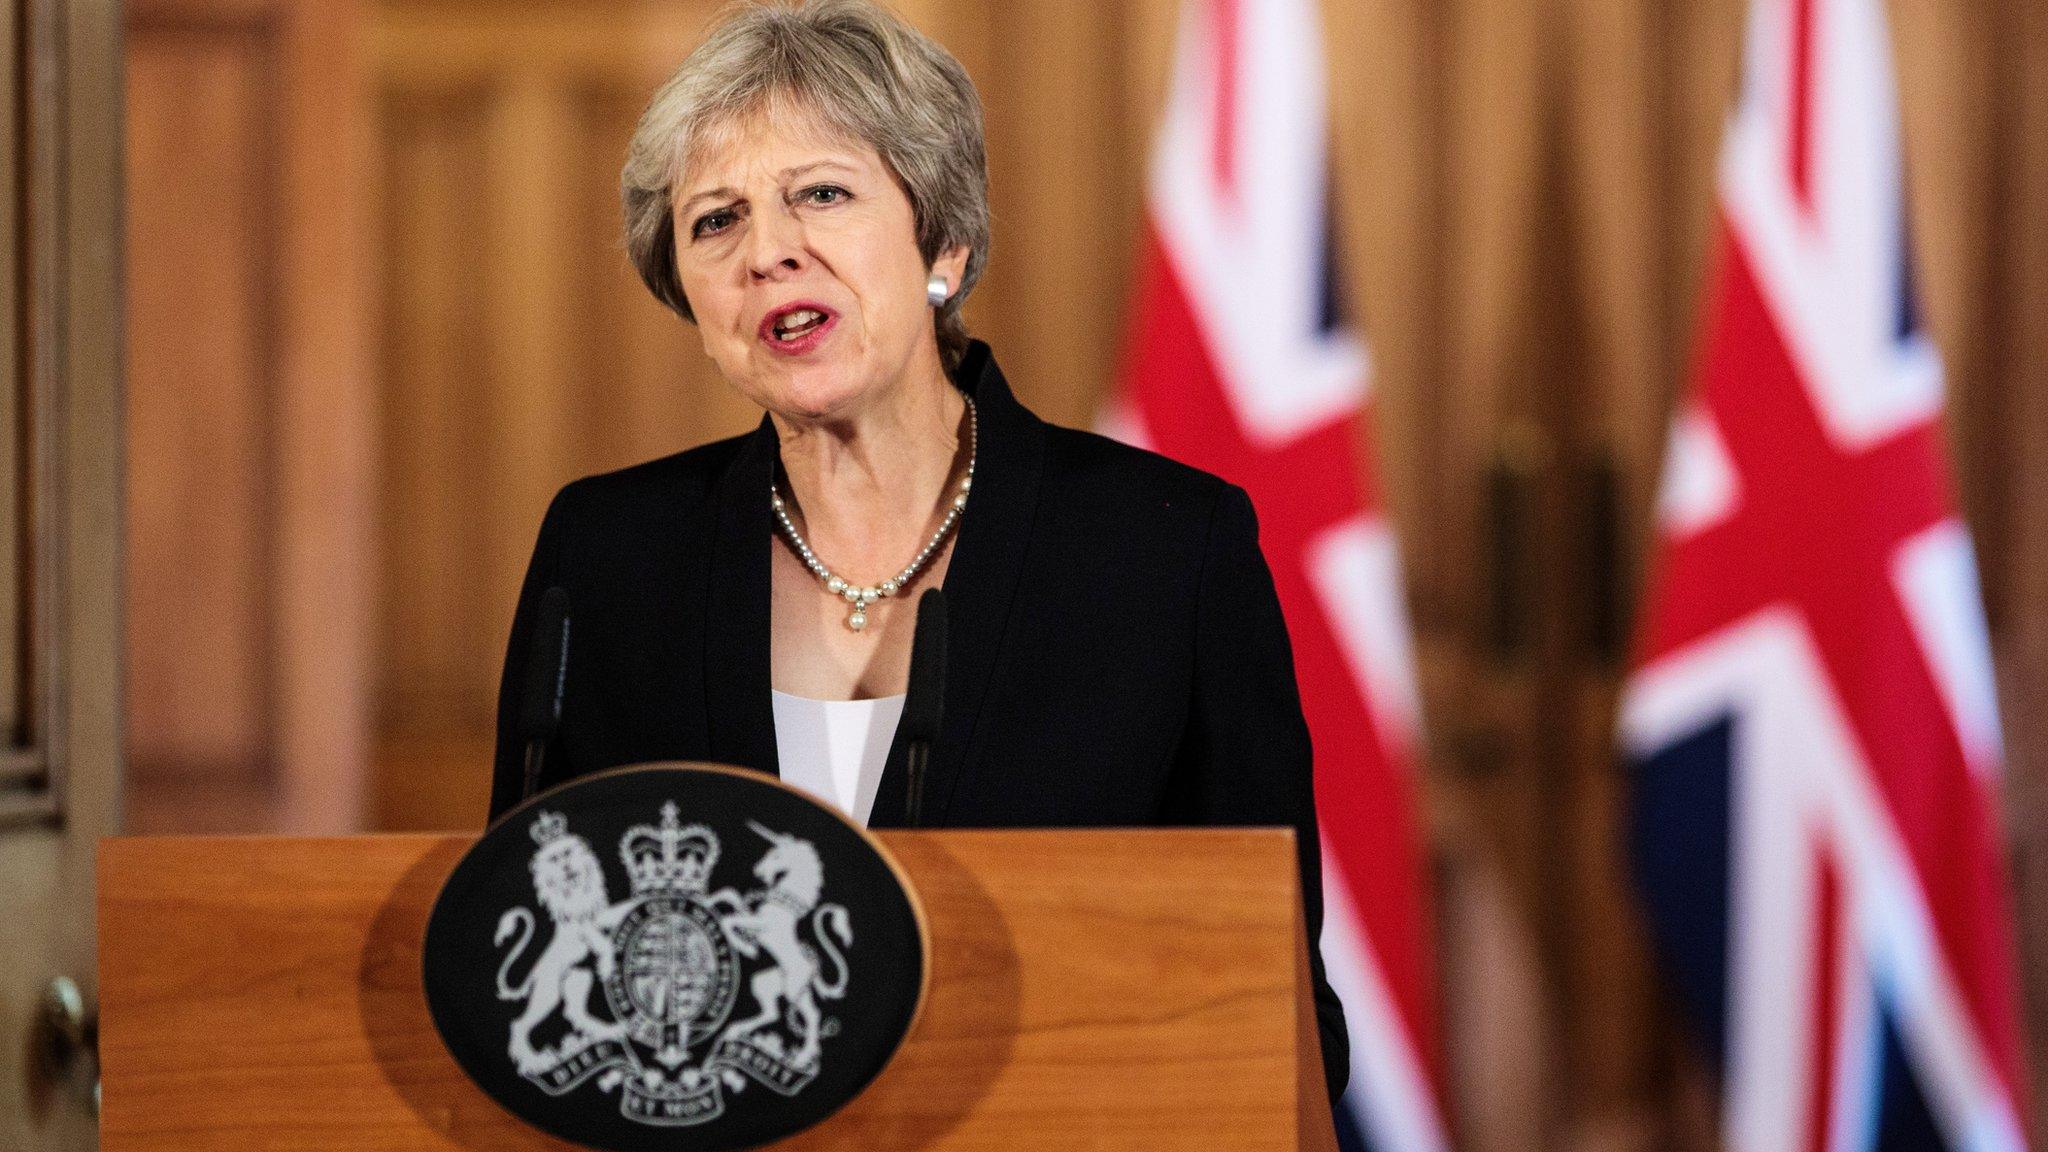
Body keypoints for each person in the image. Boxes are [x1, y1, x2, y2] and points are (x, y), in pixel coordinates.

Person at [487, 0, 1350, 1105]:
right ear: (686, 294)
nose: (767, 253)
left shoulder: (1162, 550)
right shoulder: (608, 558)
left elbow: (1264, 972)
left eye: (821, 194)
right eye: (714, 222)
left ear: (940, 243)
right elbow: (510, 966)